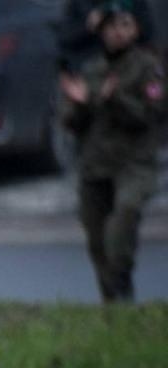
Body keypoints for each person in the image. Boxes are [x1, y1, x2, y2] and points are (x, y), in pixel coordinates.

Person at [60, 0, 166, 303]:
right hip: (95, 165)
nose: (117, 33)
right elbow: (71, 122)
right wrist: (79, 104)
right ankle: (114, 301)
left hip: (133, 162)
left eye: (124, 25)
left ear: (135, 29)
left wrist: (113, 98)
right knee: (96, 238)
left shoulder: (147, 67)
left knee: (124, 216)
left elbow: (151, 114)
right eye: (111, 26)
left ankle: (120, 281)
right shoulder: (92, 68)